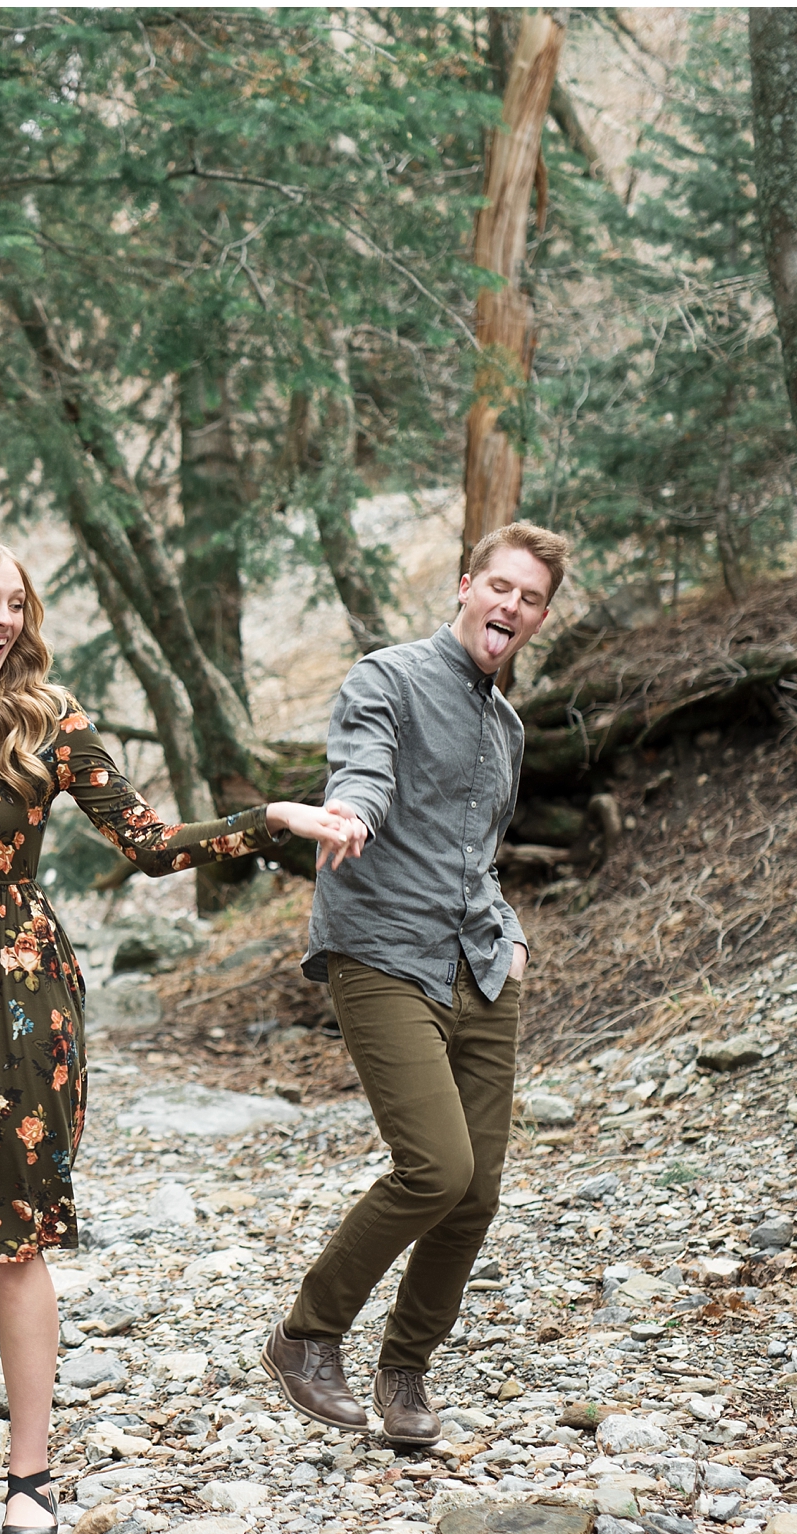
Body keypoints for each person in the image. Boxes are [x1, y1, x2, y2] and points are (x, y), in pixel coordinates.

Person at [0, 537, 360, 1534]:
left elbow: (152, 846)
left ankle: (28, 1471)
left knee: (13, 1239)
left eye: (15, 606)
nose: (2, 622)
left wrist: (274, 818)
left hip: (24, 993)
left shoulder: (48, 722)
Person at [259, 521, 568, 1446]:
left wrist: (509, 935)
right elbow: (364, 769)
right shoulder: (385, 678)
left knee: (475, 1194)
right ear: (466, 588)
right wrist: (348, 813)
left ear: (540, 618)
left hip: (480, 962)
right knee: (435, 1167)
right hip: (382, 951)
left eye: (532, 598)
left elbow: (481, 852)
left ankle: (405, 1376)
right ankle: (305, 1337)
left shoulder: (507, 726)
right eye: (500, 586)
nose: (511, 605)